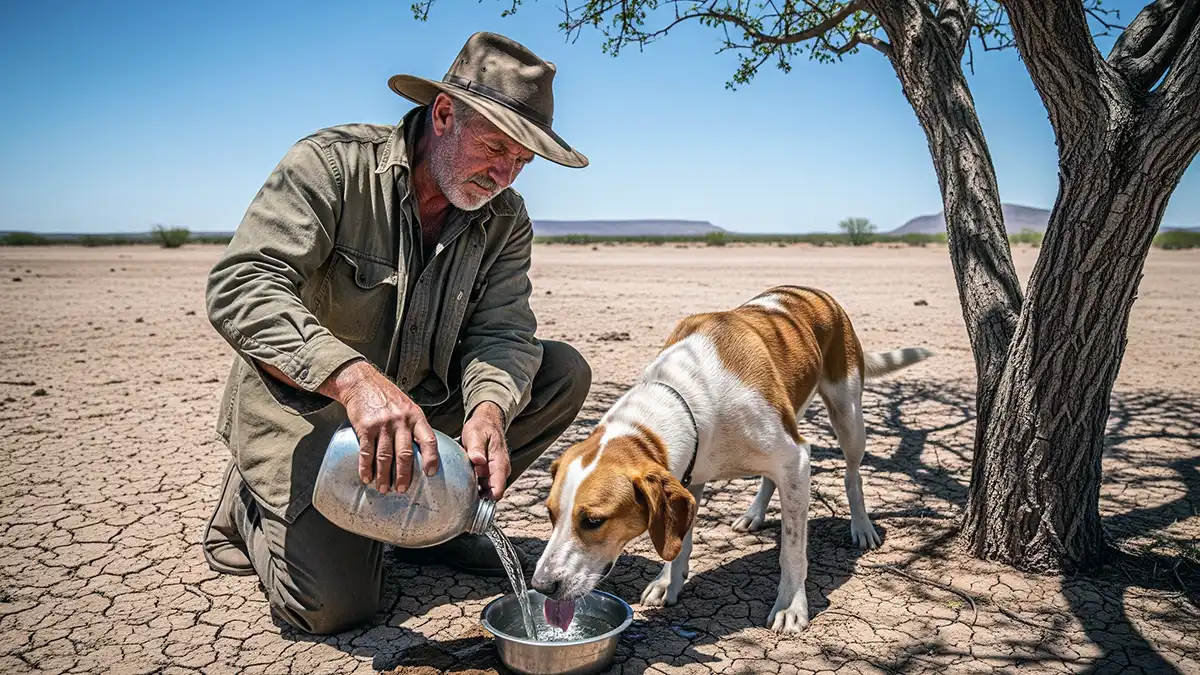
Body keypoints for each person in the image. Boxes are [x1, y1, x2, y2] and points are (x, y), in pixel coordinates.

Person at [201, 31, 592, 635]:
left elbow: (504, 331)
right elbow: (243, 285)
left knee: (560, 372)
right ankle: (252, 504)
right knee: (334, 610)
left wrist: (489, 411)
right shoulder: (331, 167)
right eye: (494, 149)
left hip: (418, 414)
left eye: (522, 161)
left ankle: (438, 527)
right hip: (313, 412)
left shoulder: (505, 220)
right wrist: (354, 382)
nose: (505, 175)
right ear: (443, 114)